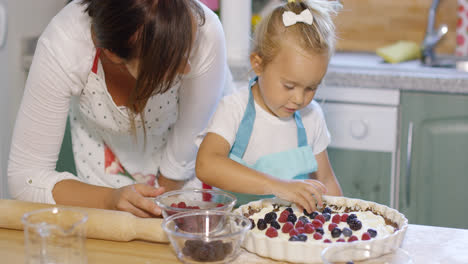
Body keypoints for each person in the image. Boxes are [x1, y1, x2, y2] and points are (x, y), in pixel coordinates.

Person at [8, 0, 233, 218]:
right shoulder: (66, 41)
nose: (188, 68)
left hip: (186, 172)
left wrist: (161, 207)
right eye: (169, 62)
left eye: (188, 51)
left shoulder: (205, 30)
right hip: (103, 170)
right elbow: (25, 178)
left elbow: (179, 163)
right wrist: (110, 200)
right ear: (112, 54)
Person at [196, 0, 343, 214]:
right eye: (289, 85)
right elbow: (206, 165)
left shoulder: (312, 117)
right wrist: (278, 186)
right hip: (236, 232)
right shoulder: (234, 109)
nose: (299, 99)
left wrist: (340, 224)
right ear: (258, 64)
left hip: (291, 235)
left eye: (311, 87)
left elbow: (326, 181)